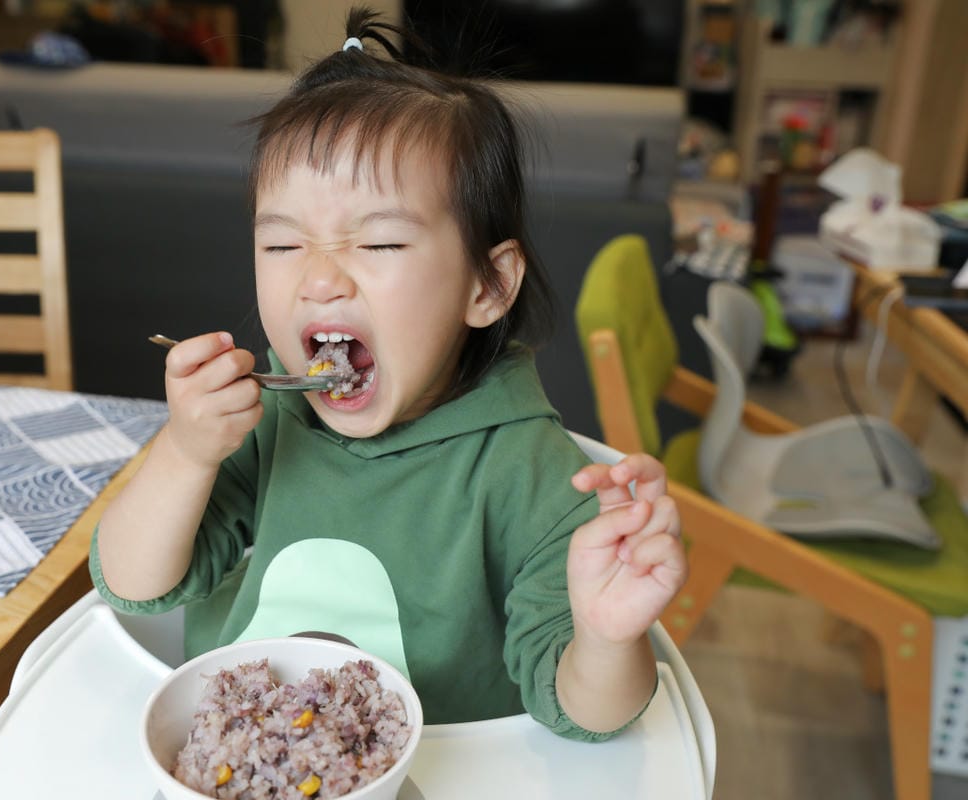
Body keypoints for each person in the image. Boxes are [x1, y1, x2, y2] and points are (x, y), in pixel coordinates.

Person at [90, 7, 687, 740]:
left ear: (487, 287)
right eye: (282, 247)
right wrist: (185, 452)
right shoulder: (268, 421)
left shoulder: (534, 478)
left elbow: (586, 717)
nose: (318, 280)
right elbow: (133, 586)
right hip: (228, 760)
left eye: (378, 242)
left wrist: (605, 639)